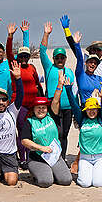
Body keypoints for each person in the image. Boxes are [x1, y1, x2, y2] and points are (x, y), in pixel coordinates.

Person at [20, 81, 72, 188]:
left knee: (66, 180)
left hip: (54, 156)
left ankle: (52, 172)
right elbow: (24, 141)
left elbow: (56, 100)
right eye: (38, 107)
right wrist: (41, 148)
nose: (41, 110)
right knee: (46, 182)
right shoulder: (29, 122)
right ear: (33, 109)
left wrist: (60, 85)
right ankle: (38, 173)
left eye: (43, 107)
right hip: (37, 158)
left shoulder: (52, 116)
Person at [39, 21, 77, 161]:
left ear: (65, 59)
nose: (60, 59)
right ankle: (52, 156)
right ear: (53, 58)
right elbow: (42, 51)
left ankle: (62, 157)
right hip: (53, 105)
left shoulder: (69, 71)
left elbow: (74, 91)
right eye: (57, 57)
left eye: (62, 57)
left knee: (65, 134)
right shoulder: (49, 68)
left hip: (68, 107)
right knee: (55, 133)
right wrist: (46, 34)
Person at [69, 80, 102, 188]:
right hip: (85, 157)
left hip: (100, 156)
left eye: (94, 109)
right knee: (85, 183)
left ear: (98, 110)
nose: (91, 111)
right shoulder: (82, 120)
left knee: (98, 183)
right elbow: (74, 106)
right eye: (89, 109)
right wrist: (68, 88)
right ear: (85, 110)